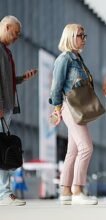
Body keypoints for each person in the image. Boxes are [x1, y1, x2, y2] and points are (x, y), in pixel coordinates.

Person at [49, 23, 98, 205]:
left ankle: (65, 191)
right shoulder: (65, 59)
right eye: (80, 35)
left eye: (84, 36)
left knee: (73, 151)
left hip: (78, 107)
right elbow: (56, 86)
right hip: (70, 107)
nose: (83, 39)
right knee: (86, 148)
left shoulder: (77, 59)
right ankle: (78, 190)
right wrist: (57, 108)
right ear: (70, 37)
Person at [0, 15, 37, 206]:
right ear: (6, 27)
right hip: (1, 107)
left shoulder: (5, 51)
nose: (17, 37)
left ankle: (4, 193)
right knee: (2, 150)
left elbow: (6, 79)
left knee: (3, 150)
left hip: (5, 108)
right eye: (15, 33)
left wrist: (22, 78)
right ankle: (4, 194)